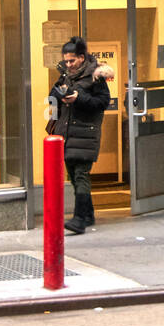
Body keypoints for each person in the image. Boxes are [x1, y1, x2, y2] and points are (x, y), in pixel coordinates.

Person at [48, 37, 113, 235]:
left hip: (86, 133)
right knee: (74, 176)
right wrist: (60, 95)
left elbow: (102, 102)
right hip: (67, 133)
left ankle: (79, 219)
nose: (69, 64)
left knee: (81, 174)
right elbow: (52, 96)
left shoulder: (95, 76)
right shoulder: (66, 75)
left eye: (72, 60)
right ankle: (88, 214)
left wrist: (79, 98)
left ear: (82, 58)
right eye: (66, 61)